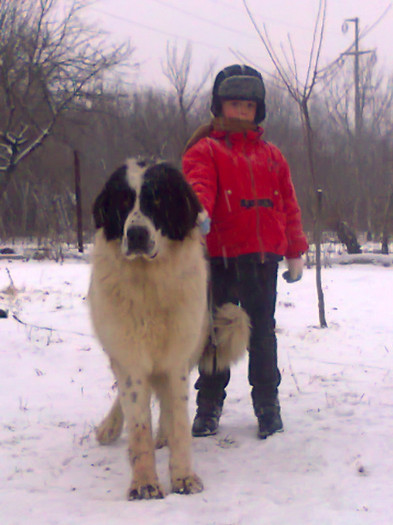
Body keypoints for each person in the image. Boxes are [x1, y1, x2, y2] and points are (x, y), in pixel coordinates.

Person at [182, 64, 309, 439]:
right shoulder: (206, 150)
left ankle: (268, 405)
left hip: (262, 259)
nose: (241, 112)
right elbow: (198, 184)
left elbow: (288, 204)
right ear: (220, 107)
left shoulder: (271, 155)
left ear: (259, 111)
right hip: (219, 257)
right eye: (234, 104)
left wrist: (295, 251)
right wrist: (197, 210)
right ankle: (208, 406)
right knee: (215, 332)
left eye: (248, 106)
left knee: (262, 334)